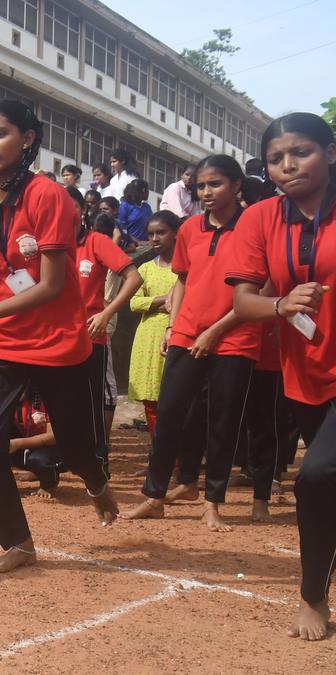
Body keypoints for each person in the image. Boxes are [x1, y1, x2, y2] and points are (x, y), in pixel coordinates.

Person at [0, 99, 119, 574]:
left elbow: (52, 285)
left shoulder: (48, 197)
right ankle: (18, 541)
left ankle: (96, 483)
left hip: (57, 339)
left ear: (27, 139)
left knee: (76, 447)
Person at [227, 111, 336, 641]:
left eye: (302, 152)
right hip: (308, 371)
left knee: (315, 477)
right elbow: (243, 300)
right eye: (275, 159)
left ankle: (312, 597)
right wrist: (279, 304)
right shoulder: (260, 219)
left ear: (331, 153)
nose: (288, 166)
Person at [123, 155, 258, 532]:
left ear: (236, 185)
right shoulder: (190, 230)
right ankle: (154, 496)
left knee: (222, 421)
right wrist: (174, 326)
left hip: (235, 335)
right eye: (200, 186)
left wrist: (214, 331)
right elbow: (182, 280)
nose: (206, 192)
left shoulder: (253, 227)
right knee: (169, 415)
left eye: (215, 184)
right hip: (186, 332)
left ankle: (212, 503)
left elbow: (259, 289)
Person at [73, 186, 144, 469]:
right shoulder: (50, 245)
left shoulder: (96, 243)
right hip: (58, 338)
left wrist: (107, 312)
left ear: (82, 211)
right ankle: (62, 457)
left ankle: (100, 453)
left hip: (92, 335)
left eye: (72, 207)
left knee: (100, 394)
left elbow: (134, 278)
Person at [127, 211, 182, 440]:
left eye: (161, 232)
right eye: (151, 234)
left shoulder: (186, 268)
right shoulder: (145, 269)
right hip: (148, 338)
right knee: (151, 402)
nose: (155, 238)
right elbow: (134, 302)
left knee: (175, 399)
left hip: (177, 334)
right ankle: (157, 456)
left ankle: (180, 461)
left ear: (176, 233)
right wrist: (165, 299)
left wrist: (172, 301)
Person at [8, 387, 65, 500]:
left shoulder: (46, 400)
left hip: (56, 448)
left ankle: (49, 483)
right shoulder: (11, 402)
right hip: (29, 444)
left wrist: (18, 444)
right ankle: (33, 473)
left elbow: (54, 437)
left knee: (39, 460)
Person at [115, 179, 153, 247]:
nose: (148, 193)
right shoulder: (125, 206)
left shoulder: (147, 207)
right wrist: (138, 242)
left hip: (146, 245)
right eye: (147, 190)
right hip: (130, 246)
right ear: (143, 190)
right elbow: (122, 229)